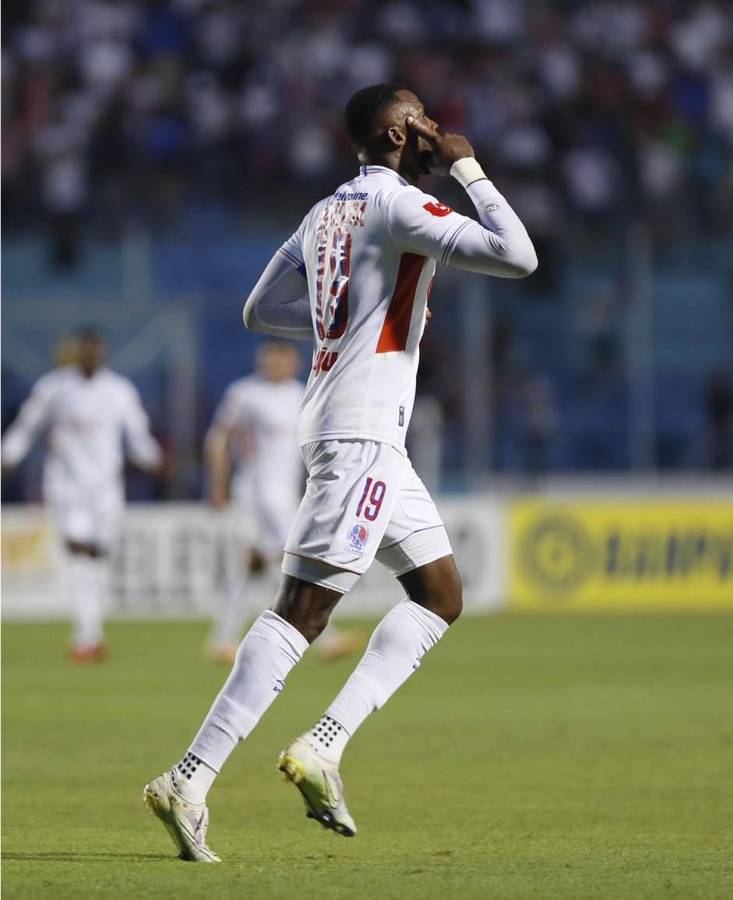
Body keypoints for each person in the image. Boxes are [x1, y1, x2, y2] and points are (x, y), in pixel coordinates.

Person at [144, 83, 537, 862]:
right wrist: (470, 171)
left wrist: (344, 320)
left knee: (438, 593)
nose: (435, 127)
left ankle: (324, 744)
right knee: (303, 612)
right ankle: (188, 776)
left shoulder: (322, 212)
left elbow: (261, 310)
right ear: (396, 134)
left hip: (358, 432)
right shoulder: (396, 207)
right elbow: (518, 257)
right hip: (359, 433)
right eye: (421, 118)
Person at [1, 327, 162, 661]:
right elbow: (27, 426)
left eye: (94, 350)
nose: (89, 356)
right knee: (80, 551)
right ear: (75, 353)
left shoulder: (119, 390)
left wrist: (153, 459)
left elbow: (136, 434)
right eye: (83, 350)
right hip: (66, 487)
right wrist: (9, 455)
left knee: (97, 558)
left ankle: (90, 633)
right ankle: (86, 637)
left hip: (105, 490)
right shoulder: (53, 388)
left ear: (102, 353)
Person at [204, 341, 361, 662]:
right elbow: (218, 439)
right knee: (296, 561)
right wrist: (218, 485)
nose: (275, 365)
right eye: (270, 359)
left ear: (295, 363)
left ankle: (224, 639)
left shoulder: (301, 394)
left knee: (255, 565)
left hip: (285, 495)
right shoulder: (245, 394)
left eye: (282, 359)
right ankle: (322, 635)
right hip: (253, 491)